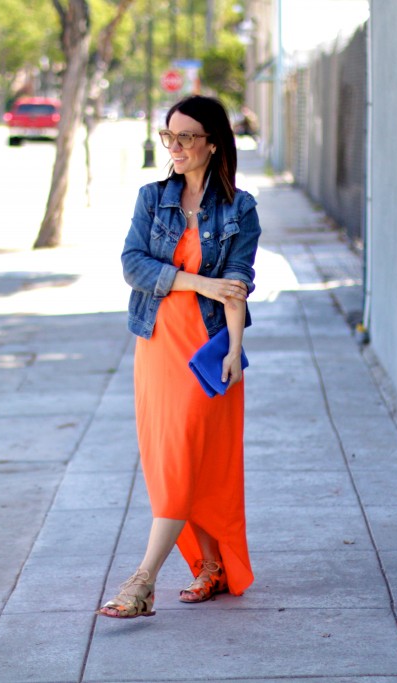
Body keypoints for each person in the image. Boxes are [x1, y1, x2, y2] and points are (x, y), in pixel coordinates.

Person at [98, 95, 262, 619]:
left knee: (187, 457)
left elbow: (235, 287)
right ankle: (211, 565)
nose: (176, 147)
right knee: (176, 457)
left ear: (213, 143)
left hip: (207, 352)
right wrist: (197, 282)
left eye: (188, 136)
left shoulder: (241, 209)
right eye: (170, 136)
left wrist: (235, 350)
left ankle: (143, 580)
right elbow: (132, 265)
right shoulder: (153, 198)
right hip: (156, 346)